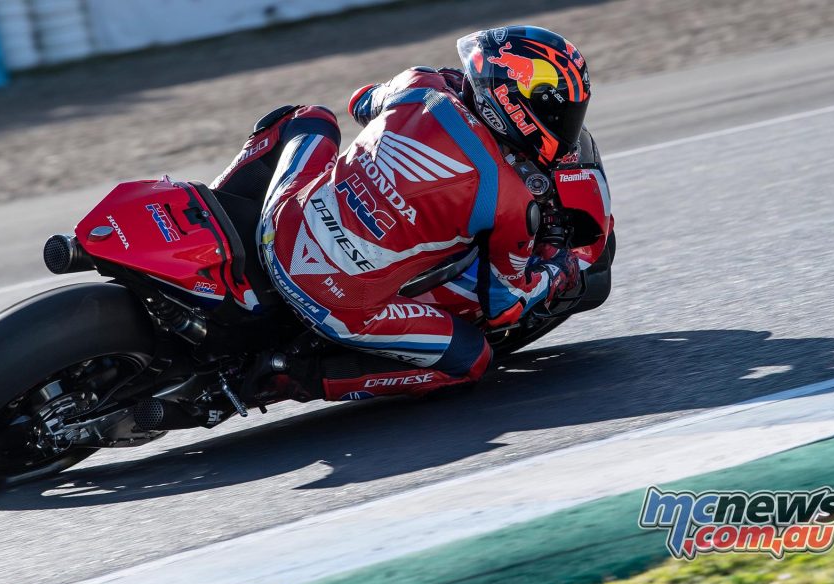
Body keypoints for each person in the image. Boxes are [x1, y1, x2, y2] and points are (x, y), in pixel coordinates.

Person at [210, 25, 609, 401]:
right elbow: (504, 307)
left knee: (308, 118)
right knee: (472, 360)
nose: (566, 126)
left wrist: (442, 88)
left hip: (279, 225)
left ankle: (213, 209)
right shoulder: (511, 201)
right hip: (337, 303)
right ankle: (291, 374)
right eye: (560, 114)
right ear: (517, 104)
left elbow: (361, 102)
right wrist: (559, 271)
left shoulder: (419, 86)